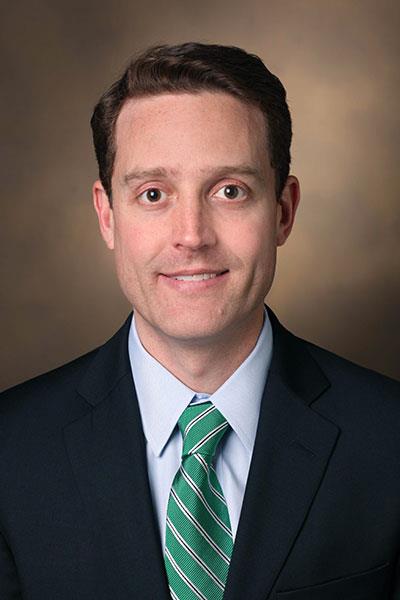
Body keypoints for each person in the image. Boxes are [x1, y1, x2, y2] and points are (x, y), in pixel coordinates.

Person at [0, 43, 399, 600]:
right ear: (107, 215)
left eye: (230, 191)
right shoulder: (10, 450)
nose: (191, 235)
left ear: (283, 211)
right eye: (153, 194)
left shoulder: (389, 439)